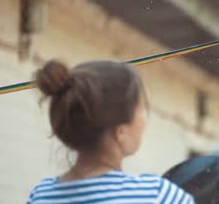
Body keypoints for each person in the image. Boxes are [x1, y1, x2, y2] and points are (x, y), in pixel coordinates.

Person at [26, 60, 195, 204]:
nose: (146, 119)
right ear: (120, 131)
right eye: (144, 107)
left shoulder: (41, 196)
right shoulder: (158, 196)